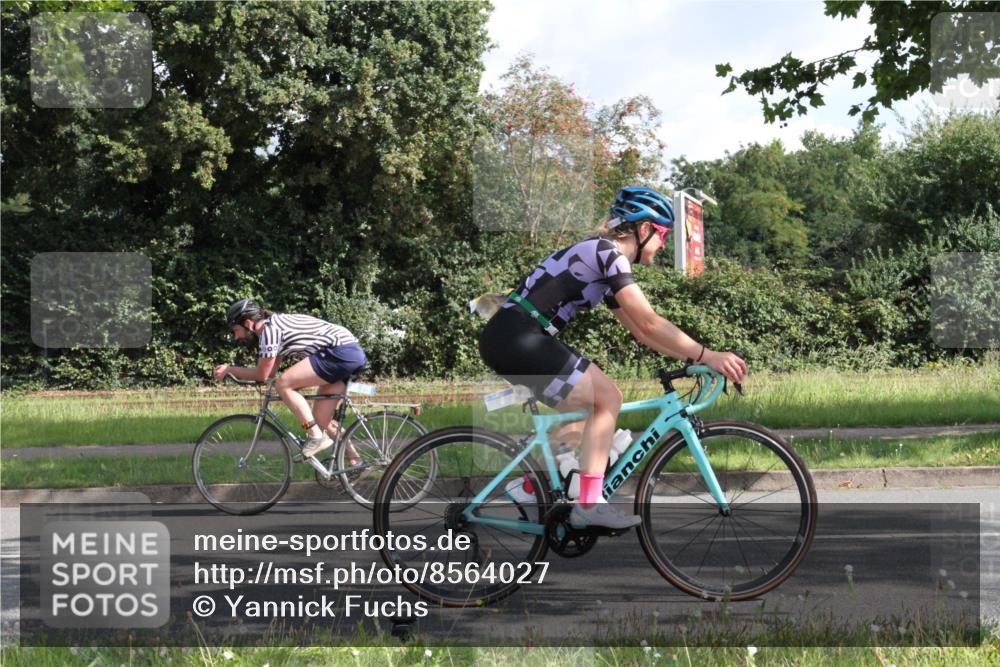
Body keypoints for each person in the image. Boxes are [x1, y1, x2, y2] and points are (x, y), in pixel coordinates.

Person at [478, 186, 747, 529]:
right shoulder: (608, 254)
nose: (663, 244)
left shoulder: (601, 262)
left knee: (586, 414)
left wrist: (694, 357)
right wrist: (708, 355)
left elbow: (643, 331)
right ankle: (589, 504)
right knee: (607, 398)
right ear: (645, 228)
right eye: (662, 233)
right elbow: (650, 321)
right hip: (518, 336)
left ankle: (530, 487)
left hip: (511, 337)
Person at [213, 299, 368, 460]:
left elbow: (262, 375)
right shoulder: (274, 326)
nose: (236, 336)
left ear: (248, 323)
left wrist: (230, 370)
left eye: (236, 330)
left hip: (340, 351)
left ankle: (315, 437)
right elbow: (269, 372)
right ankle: (356, 462)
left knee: (283, 385)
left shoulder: (269, 331)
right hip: (349, 352)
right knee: (321, 421)